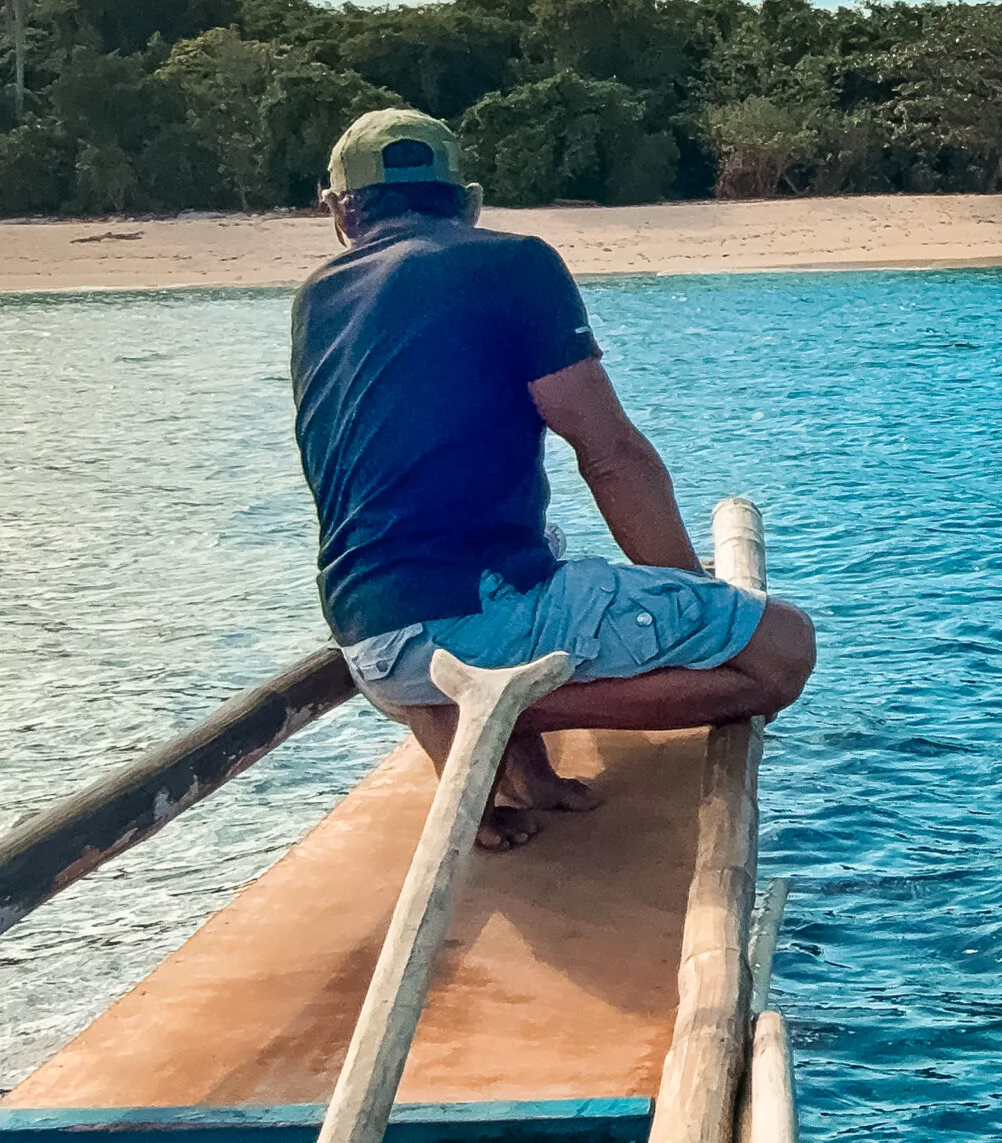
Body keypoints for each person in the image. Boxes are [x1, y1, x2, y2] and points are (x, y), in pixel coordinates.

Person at [291, 108, 816, 849]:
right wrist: (688, 592)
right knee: (782, 649)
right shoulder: (513, 263)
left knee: (540, 540)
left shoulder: (317, 296)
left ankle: (518, 764)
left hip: (370, 634)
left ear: (341, 213)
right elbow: (609, 453)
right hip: (455, 639)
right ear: (469, 203)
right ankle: (501, 710)